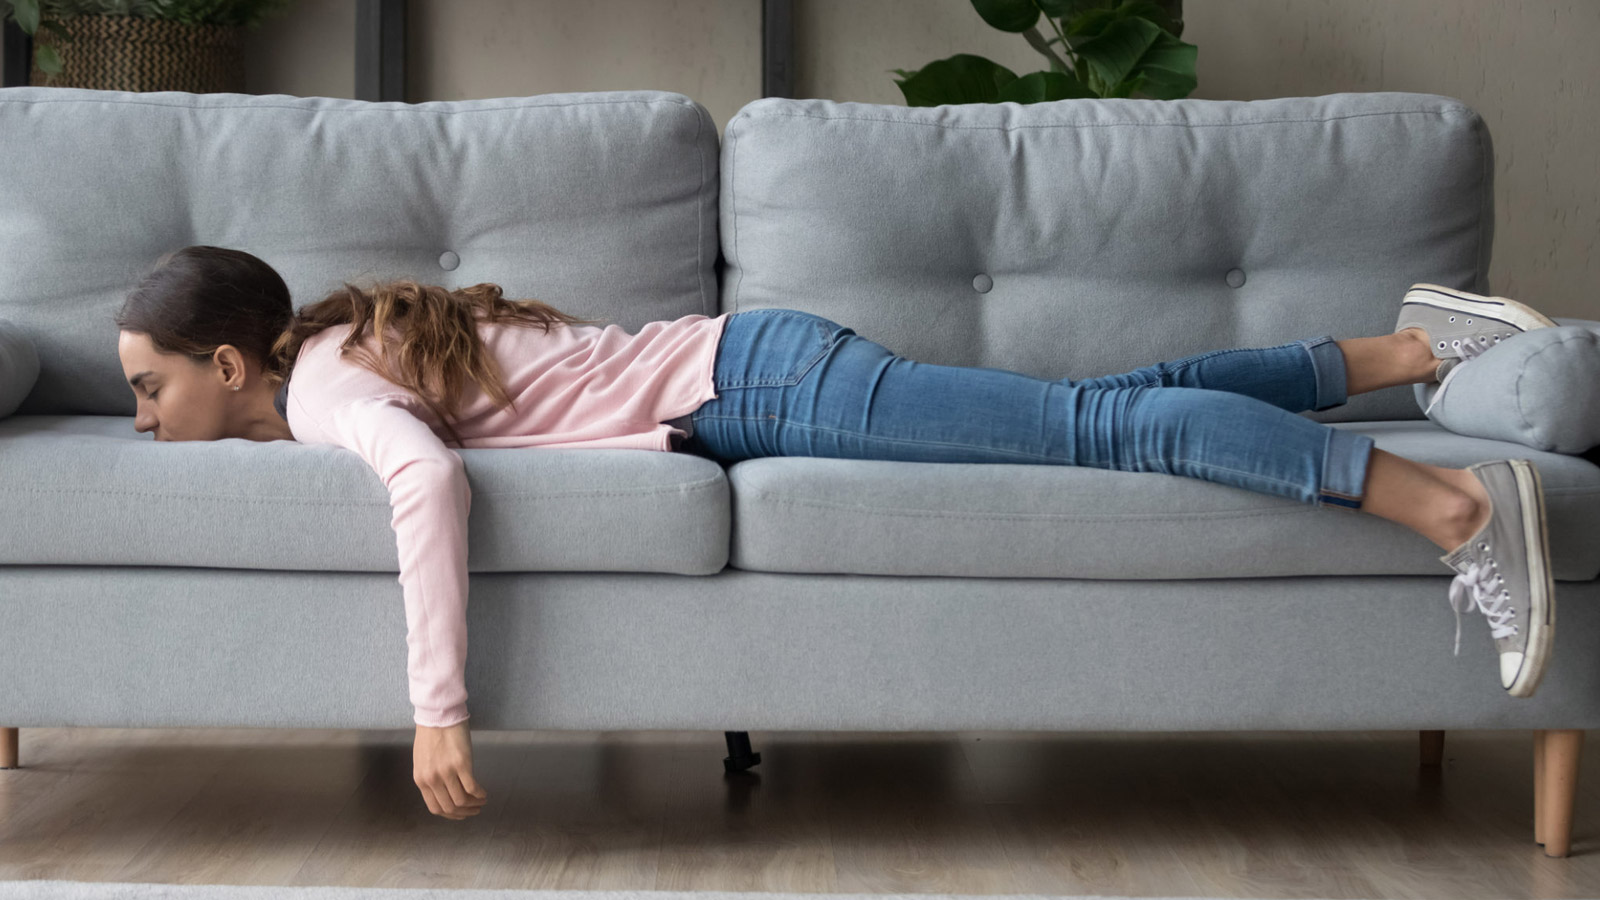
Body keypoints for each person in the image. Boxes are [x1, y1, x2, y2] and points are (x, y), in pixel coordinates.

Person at [116, 246, 1557, 820]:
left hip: (759, 387)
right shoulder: (325, 362)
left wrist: (439, 708)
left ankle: (1458, 507)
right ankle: (1408, 350)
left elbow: (427, 485)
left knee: (1100, 432)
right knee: (1097, 406)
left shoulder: (322, 390)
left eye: (148, 388)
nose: (138, 417)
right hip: (756, 372)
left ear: (229, 364)